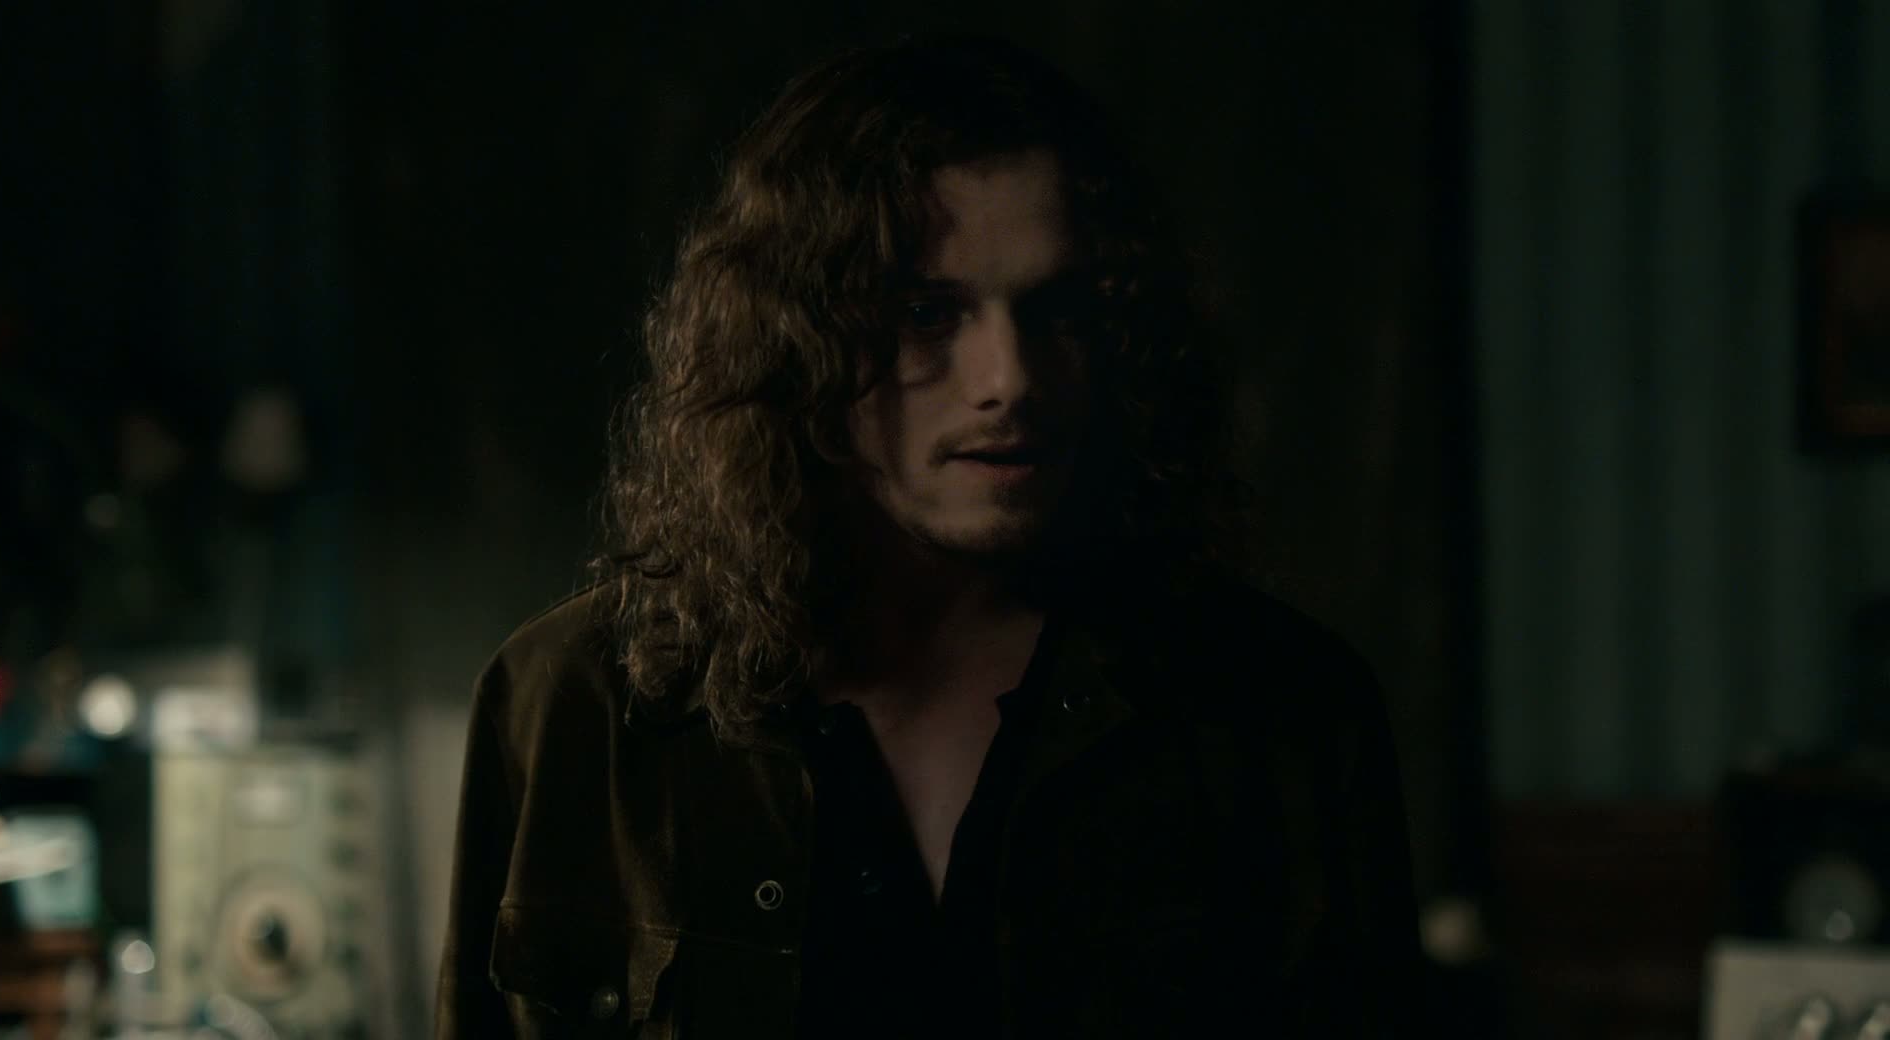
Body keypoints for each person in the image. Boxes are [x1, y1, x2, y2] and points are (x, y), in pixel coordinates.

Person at [436, 34, 1426, 1039]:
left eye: (1057, 310)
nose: (1009, 379)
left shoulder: (1280, 711)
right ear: (795, 339)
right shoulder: (574, 704)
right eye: (926, 311)